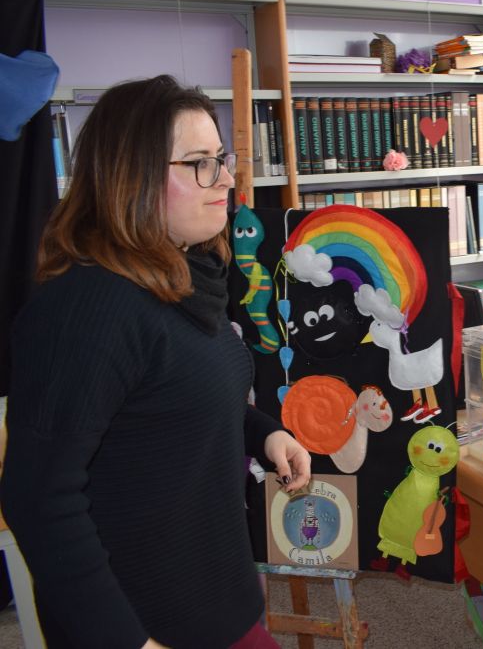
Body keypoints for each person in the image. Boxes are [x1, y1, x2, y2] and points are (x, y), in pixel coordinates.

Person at [0, 75, 312, 648]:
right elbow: (40, 501)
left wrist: (264, 433)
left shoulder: (189, 275)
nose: (225, 179)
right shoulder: (85, 309)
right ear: (131, 178)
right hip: (143, 624)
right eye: (198, 164)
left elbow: (173, 399)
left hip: (215, 596)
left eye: (221, 159)